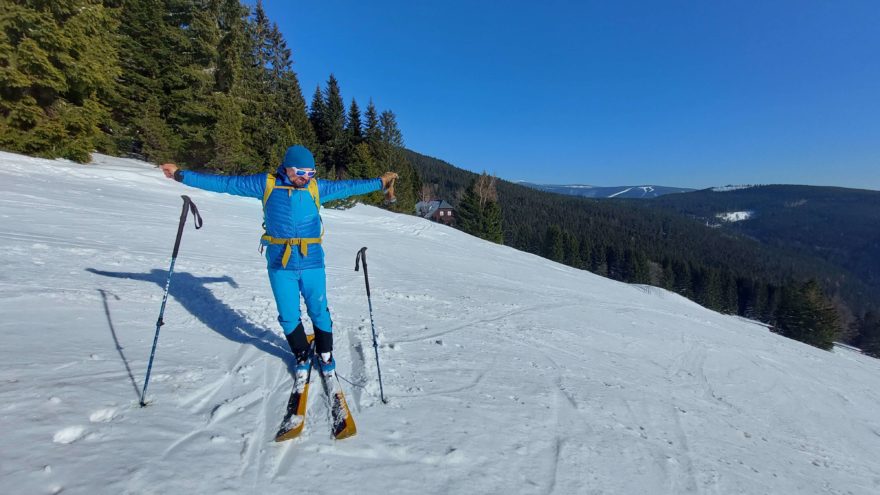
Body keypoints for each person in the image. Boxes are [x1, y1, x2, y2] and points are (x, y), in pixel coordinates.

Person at [160, 145, 397, 391]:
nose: (305, 178)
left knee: (319, 309)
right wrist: (181, 175)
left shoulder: (316, 188)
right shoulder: (267, 184)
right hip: (279, 262)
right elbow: (225, 183)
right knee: (288, 315)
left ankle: (326, 356)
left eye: (310, 173)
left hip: (312, 260)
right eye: (300, 172)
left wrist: (380, 182)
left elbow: (349, 187)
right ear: (287, 168)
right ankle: (302, 355)